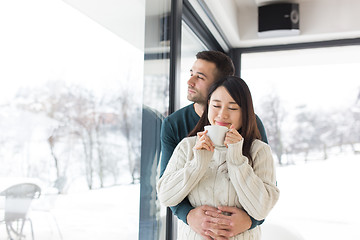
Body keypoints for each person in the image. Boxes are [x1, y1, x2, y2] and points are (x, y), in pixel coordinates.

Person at [159, 51, 268, 239]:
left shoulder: (252, 127)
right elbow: (166, 188)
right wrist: (189, 215)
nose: (190, 81)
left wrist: (250, 221)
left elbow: (266, 191)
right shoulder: (175, 126)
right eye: (191, 73)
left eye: (200, 77)